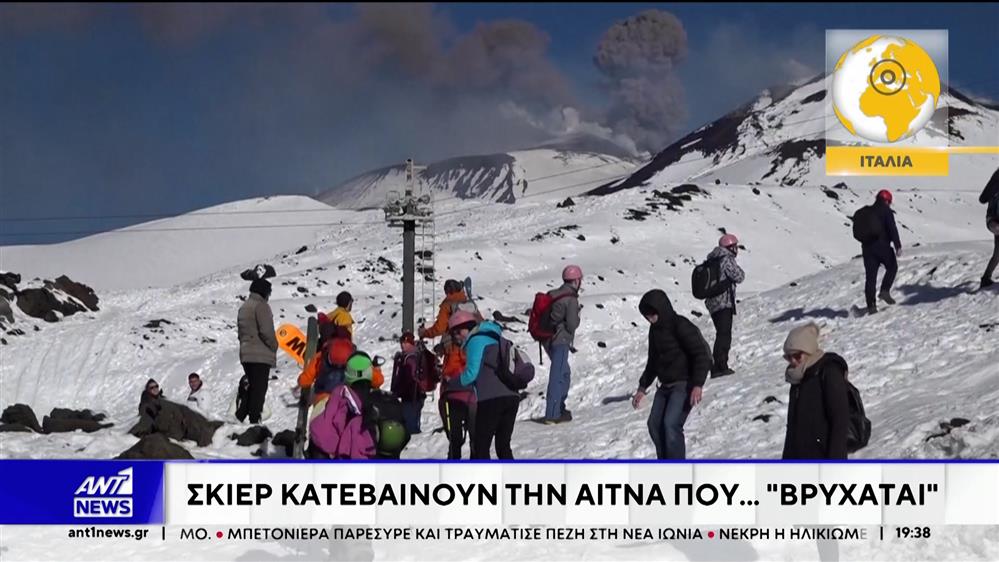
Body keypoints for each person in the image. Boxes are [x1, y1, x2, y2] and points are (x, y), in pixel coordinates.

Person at [632, 289, 711, 460]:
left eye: (652, 314)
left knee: (671, 424)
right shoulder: (654, 331)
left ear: (661, 309)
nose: (650, 318)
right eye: (647, 316)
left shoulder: (680, 325)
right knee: (654, 425)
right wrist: (642, 387)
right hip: (664, 386)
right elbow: (653, 361)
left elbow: (700, 355)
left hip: (684, 385)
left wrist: (698, 384)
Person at [459, 320, 532, 460]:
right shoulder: (499, 339)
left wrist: (456, 381)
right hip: (512, 396)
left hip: (491, 398)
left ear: (471, 330)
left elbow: (472, 373)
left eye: (459, 331)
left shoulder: (476, 340)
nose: (458, 335)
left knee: (481, 446)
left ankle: (485, 474)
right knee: (503, 445)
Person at [781, 322, 850, 460]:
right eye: (788, 357)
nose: (793, 361)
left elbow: (840, 421)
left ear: (809, 350)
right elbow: (792, 428)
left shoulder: (829, 372)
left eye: (797, 355)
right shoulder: (796, 378)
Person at [543, 265, 582, 425]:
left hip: (548, 339)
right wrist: (578, 315)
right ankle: (552, 414)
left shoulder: (554, 294)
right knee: (558, 375)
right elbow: (572, 324)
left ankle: (559, 408)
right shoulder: (571, 299)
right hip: (561, 340)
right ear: (576, 281)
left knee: (564, 373)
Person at [237, 278, 278, 424]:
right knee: (259, 389)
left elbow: (240, 333)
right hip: (260, 354)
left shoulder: (244, 307)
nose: (269, 295)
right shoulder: (261, 306)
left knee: (251, 387)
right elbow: (266, 331)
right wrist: (274, 345)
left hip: (246, 353)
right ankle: (254, 420)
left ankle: (240, 416)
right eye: (269, 291)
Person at [439, 310, 479, 459]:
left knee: (457, 438)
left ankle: (457, 463)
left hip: (456, 395)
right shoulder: (474, 345)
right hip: (467, 396)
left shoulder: (456, 347)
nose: (457, 335)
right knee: (470, 437)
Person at [703, 234, 745, 377]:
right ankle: (720, 366)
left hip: (712, 302)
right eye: (735, 247)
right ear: (730, 247)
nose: (737, 250)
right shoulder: (726, 259)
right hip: (723, 302)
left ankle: (718, 365)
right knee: (724, 334)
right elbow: (739, 276)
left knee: (721, 333)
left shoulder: (713, 258)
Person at [861, 190, 902, 314]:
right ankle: (884, 290)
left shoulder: (867, 211)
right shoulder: (886, 211)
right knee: (892, 267)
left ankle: (871, 306)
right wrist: (897, 246)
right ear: (887, 201)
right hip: (882, 247)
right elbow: (892, 229)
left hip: (867, 248)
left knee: (870, 278)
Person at [390, 331, 426, 435]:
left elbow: (410, 378)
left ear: (411, 343)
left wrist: (398, 390)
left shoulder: (410, 358)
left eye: (405, 343)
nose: (402, 345)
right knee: (410, 422)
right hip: (412, 395)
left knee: (410, 425)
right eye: (402, 342)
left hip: (412, 395)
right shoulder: (408, 356)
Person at [979, 168, 999, 289]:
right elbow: (982, 199)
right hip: (994, 221)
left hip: (993, 221)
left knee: (997, 254)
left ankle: (986, 279)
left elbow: (982, 199)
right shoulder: (995, 180)